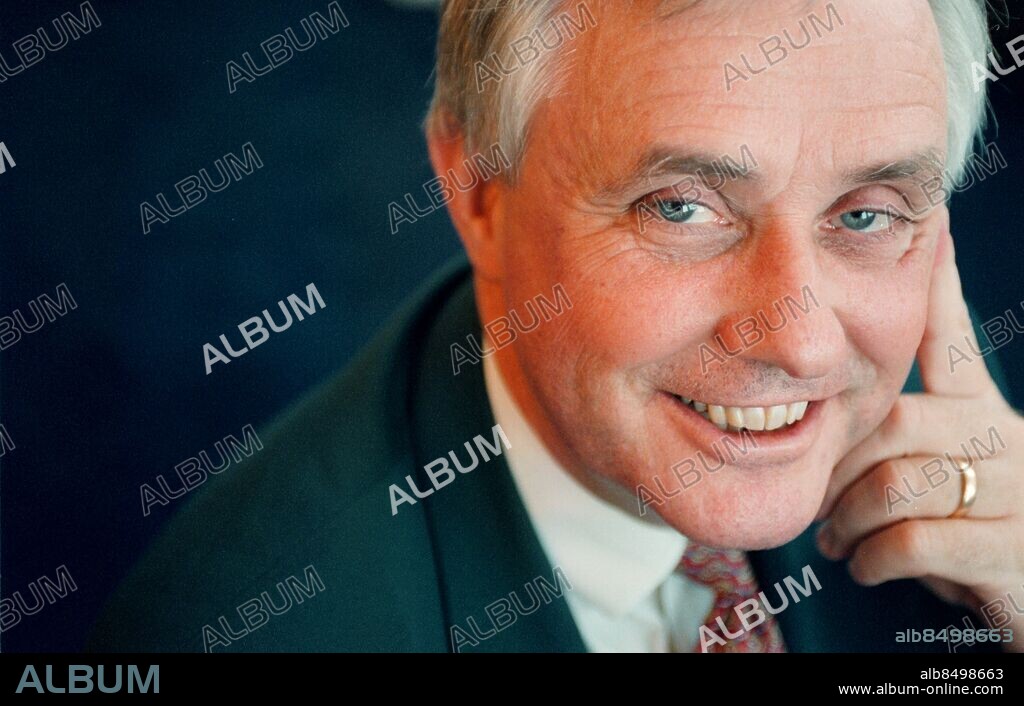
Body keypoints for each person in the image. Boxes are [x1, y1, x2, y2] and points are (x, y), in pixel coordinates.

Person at [87, 0, 1023, 653]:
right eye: (681, 209)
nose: (805, 344)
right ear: (480, 195)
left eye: (866, 214)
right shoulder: (257, 627)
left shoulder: (974, 503)